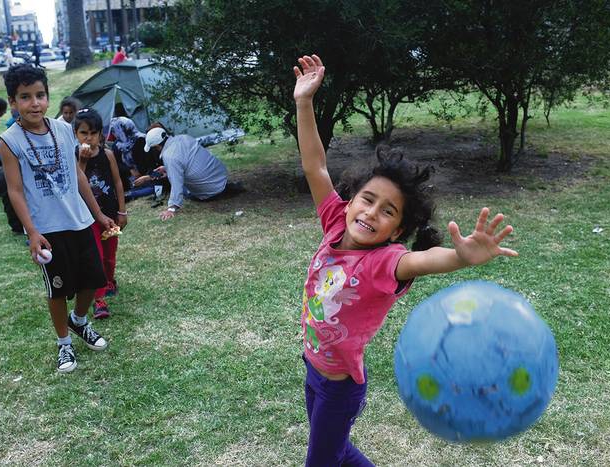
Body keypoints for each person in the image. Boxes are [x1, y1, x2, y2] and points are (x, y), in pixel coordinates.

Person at [293, 54, 519, 466]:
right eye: (367, 199)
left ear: (397, 231)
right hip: (313, 370)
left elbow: (422, 261)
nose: (371, 213)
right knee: (336, 451)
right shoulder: (332, 223)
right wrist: (304, 103)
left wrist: (461, 257)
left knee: (322, 461)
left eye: (388, 212)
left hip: (340, 388)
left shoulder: (384, 262)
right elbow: (315, 165)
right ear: (349, 201)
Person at [0, 64, 116, 373]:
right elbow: (15, 191)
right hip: (48, 228)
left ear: (47, 97)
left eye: (40, 95)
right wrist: (32, 231)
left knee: (93, 279)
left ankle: (79, 321)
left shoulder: (63, 129)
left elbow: (77, 174)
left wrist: (98, 213)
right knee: (59, 290)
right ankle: (64, 344)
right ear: (13, 102)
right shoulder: (10, 140)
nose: (34, 103)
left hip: (78, 220)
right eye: (25, 97)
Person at [74, 108, 128, 319]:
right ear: (75, 135)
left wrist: (121, 212)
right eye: (84, 133)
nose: (89, 138)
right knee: (95, 257)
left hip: (110, 215)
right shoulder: (74, 158)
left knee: (109, 257)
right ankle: (99, 299)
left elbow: (117, 183)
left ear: (100, 134)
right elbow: (77, 182)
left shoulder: (108, 155)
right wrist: (83, 161)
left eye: (93, 133)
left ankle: (109, 280)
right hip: (87, 219)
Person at [139, 127, 244, 221]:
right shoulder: (184, 137)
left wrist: (171, 209)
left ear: (156, 145)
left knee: (185, 190)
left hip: (210, 191)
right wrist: (167, 168)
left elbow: (176, 185)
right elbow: (187, 161)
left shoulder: (169, 157)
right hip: (221, 175)